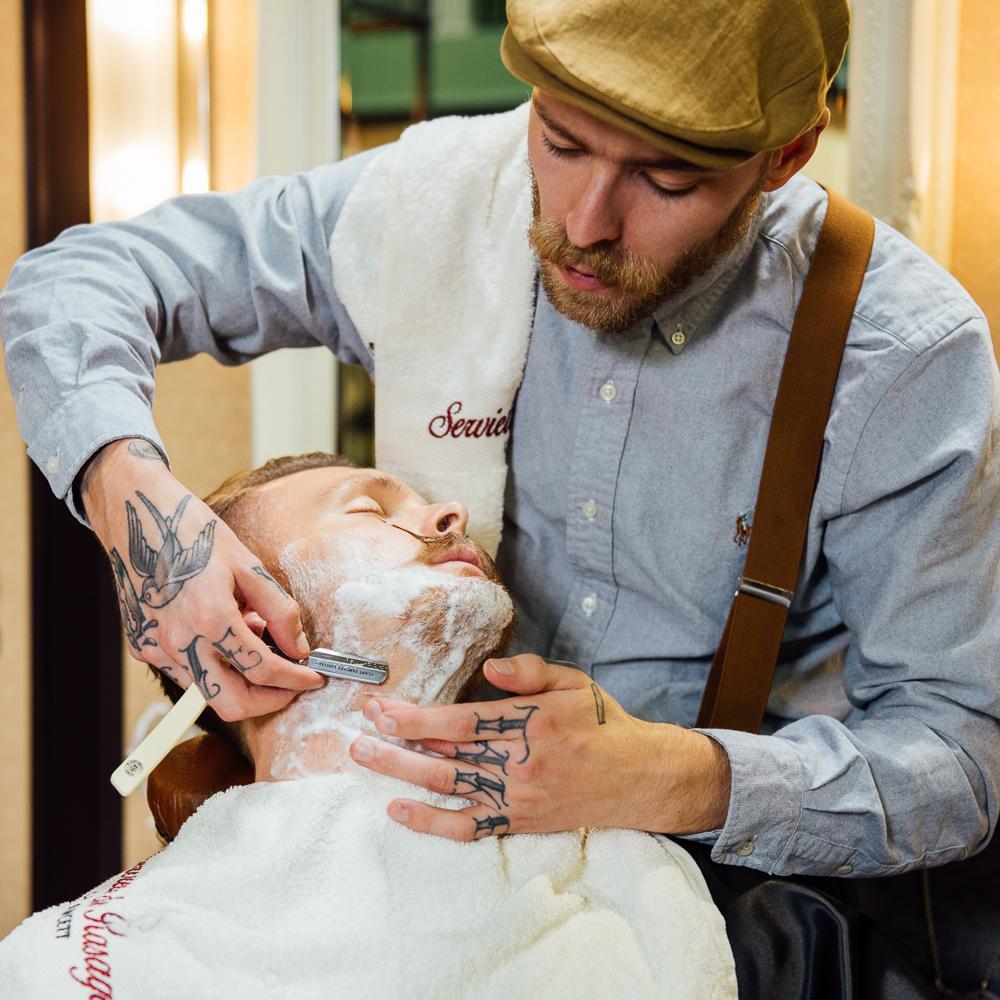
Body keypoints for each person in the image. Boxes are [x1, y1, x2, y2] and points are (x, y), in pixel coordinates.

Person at [2, 0, 998, 895]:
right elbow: (76, 281)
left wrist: (668, 774)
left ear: (784, 157)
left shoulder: (897, 356)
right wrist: (129, 490)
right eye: (560, 140)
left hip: (728, 914)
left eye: (665, 178)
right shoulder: (429, 208)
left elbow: (961, 760)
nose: (580, 223)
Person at [0, 454, 738, 1000]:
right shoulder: (71, 965)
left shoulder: (634, 874)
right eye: (367, 509)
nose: (451, 513)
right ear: (246, 632)